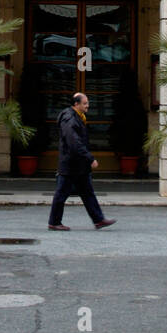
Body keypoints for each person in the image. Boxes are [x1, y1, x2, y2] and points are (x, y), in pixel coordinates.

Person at [48, 92, 116, 230]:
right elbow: (74, 142)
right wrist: (89, 158)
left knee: (87, 192)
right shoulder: (69, 119)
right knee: (61, 194)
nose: (87, 106)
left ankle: (98, 220)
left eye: (87, 103)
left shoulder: (78, 117)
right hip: (70, 164)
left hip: (79, 166)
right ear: (76, 104)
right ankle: (54, 222)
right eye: (84, 103)